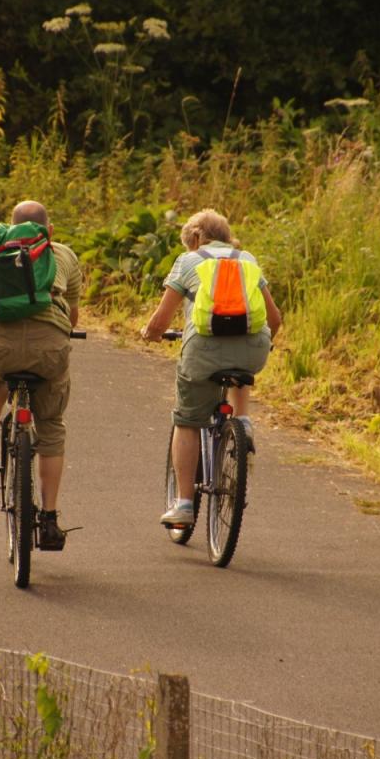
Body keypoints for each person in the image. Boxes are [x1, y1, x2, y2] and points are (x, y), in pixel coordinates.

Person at [140, 208, 282, 526]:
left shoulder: (189, 260)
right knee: (239, 371)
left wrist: (150, 334)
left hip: (204, 352)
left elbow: (162, 319)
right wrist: (262, 345)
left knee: (188, 420)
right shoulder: (248, 260)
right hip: (253, 351)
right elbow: (274, 320)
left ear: (195, 238)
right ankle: (242, 424)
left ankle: (185, 505)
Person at [0, 200, 82, 549]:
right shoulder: (63, 255)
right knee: (51, 425)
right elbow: (72, 319)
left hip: (1, 345)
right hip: (49, 349)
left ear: (10, 226)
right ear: (48, 230)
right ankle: (50, 520)